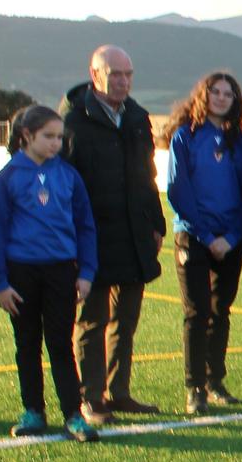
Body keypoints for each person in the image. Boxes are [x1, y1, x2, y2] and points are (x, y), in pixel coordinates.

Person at [0, 105, 98, 442]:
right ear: (26, 136)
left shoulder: (68, 176)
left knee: (60, 343)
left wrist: (86, 271)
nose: (55, 143)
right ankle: (33, 410)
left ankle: (74, 414)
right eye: (48, 136)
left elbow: (86, 226)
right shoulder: (8, 178)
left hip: (61, 271)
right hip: (21, 274)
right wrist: (0, 283)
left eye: (60, 137)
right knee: (27, 343)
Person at [60, 45, 165, 424]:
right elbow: (64, 184)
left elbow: (147, 175)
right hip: (92, 237)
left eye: (128, 74)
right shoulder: (73, 122)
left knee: (127, 319)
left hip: (135, 234)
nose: (122, 81)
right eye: (115, 73)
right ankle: (92, 397)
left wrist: (156, 223)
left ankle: (119, 391)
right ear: (95, 75)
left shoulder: (137, 118)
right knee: (92, 320)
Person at [167, 71, 242, 414]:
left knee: (221, 311)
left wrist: (230, 236)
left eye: (227, 94)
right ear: (203, 96)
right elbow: (177, 189)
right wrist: (206, 235)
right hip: (194, 236)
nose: (220, 98)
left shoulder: (241, 142)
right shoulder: (185, 136)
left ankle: (215, 381)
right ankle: (194, 387)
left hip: (231, 239)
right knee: (196, 312)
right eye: (215, 92)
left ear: (235, 101)